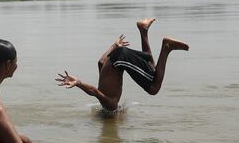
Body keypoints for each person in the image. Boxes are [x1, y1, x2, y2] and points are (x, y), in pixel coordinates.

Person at [56, 18, 189, 111]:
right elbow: (101, 62)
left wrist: (78, 83)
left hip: (120, 57)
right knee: (150, 66)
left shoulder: (111, 105)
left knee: (154, 88)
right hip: (118, 55)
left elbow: (94, 92)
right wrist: (114, 46)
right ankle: (143, 30)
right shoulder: (104, 83)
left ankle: (166, 47)